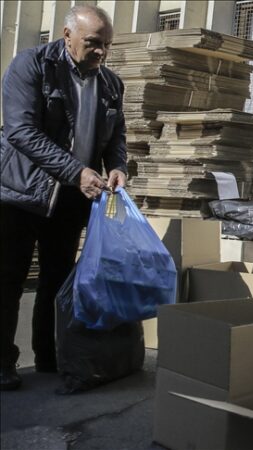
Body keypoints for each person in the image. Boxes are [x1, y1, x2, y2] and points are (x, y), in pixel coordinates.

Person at [0, 5, 127, 390]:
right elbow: (20, 130)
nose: (100, 52)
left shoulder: (110, 83)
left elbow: (116, 133)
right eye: (92, 43)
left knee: (57, 281)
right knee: (7, 280)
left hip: (72, 198)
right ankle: (2, 363)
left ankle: (48, 356)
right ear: (66, 35)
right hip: (20, 193)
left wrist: (118, 166)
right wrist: (76, 171)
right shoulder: (31, 66)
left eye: (106, 45)